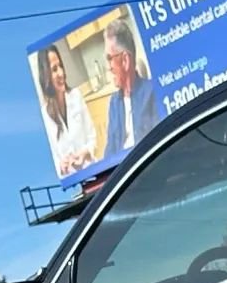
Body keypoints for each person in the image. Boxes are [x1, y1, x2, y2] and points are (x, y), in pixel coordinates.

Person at [34, 46, 97, 178]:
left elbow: (93, 138)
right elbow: (53, 162)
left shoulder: (76, 96)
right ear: (46, 76)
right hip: (72, 180)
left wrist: (85, 152)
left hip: (93, 171)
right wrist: (61, 166)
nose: (61, 73)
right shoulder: (44, 115)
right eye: (54, 69)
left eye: (60, 66)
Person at [101, 19, 161, 156]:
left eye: (110, 58)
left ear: (125, 60)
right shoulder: (114, 103)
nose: (108, 66)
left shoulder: (152, 92)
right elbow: (109, 153)